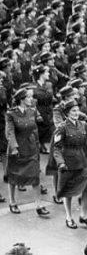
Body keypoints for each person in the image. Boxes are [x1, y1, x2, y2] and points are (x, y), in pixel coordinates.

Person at [54, 99, 87, 229]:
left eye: (77, 110)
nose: (76, 113)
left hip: (82, 160)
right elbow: (56, 148)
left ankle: (83, 215)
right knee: (68, 191)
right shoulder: (62, 128)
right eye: (73, 111)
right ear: (66, 113)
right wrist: (60, 163)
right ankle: (69, 217)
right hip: (68, 162)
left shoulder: (83, 125)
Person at [5, 87, 44, 216]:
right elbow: (10, 132)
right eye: (28, 97)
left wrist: (37, 145)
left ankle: (38, 205)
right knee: (14, 176)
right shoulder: (11, 114)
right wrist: (14, 148)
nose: (31, 99)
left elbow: (35, 130)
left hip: (31, 147)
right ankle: (12, 202)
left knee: (35, 176)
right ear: (21, 99)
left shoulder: (32, 111)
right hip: (17, 149)